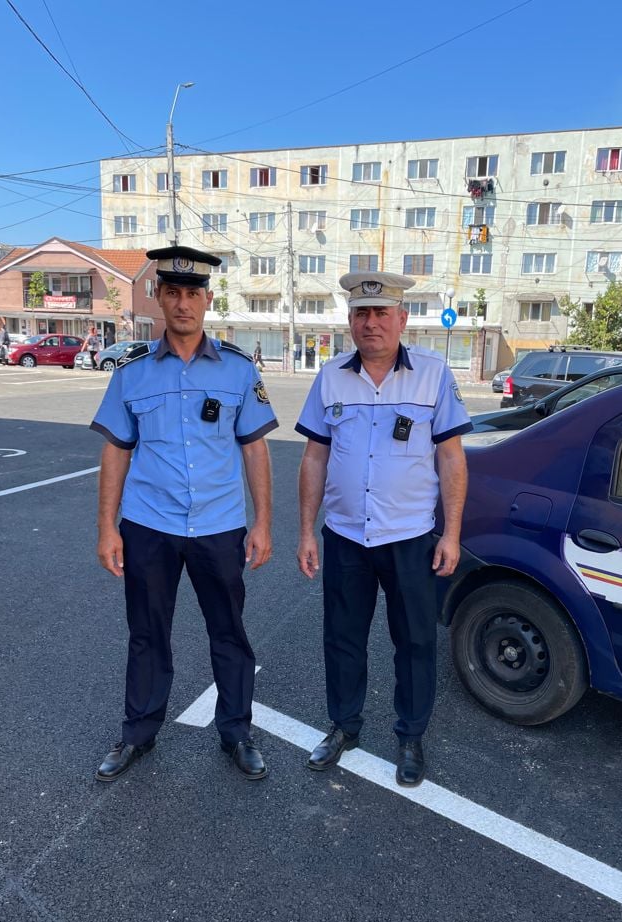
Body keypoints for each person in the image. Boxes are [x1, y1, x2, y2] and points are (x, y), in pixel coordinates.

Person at [90, 245, 278, 783]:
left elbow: (255, 449)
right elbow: (116, 451)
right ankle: (138, 733)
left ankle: (237, 732)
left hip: (219, 525)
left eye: (193, 293)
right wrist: (106, 528)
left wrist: (264, 522)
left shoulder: (238, 370)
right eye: (172, 292)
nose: (183, 303)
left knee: (229, 633)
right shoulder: (131, 372)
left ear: (207, 300)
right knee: (147, 633)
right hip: (149, 525)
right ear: (159, 296)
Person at [295, 271, 472, 787]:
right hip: (346, 535)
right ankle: (343, 726)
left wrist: (451, 534)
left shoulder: (433, 375)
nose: (370, 323)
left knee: (415, 642)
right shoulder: (331, 376)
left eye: (380, 313)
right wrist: (306, 531)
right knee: (342, 638)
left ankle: (411, 736)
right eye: (361, 313)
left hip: (410, 537)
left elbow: (452, 458)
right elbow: (314, 457)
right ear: (350, 320)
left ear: (402, 318)